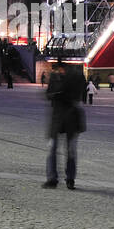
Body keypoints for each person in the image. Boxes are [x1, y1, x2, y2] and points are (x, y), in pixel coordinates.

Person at [43, 59, 86, 189]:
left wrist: (59, 94)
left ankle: (70, 179)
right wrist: (56, 94)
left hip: (70, 118)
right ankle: (52, 178)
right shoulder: (55, 78)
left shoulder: (75, 78)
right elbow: (49, 94)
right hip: (57, 118)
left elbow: (77, 95)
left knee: (70, 150)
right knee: (52, 149)